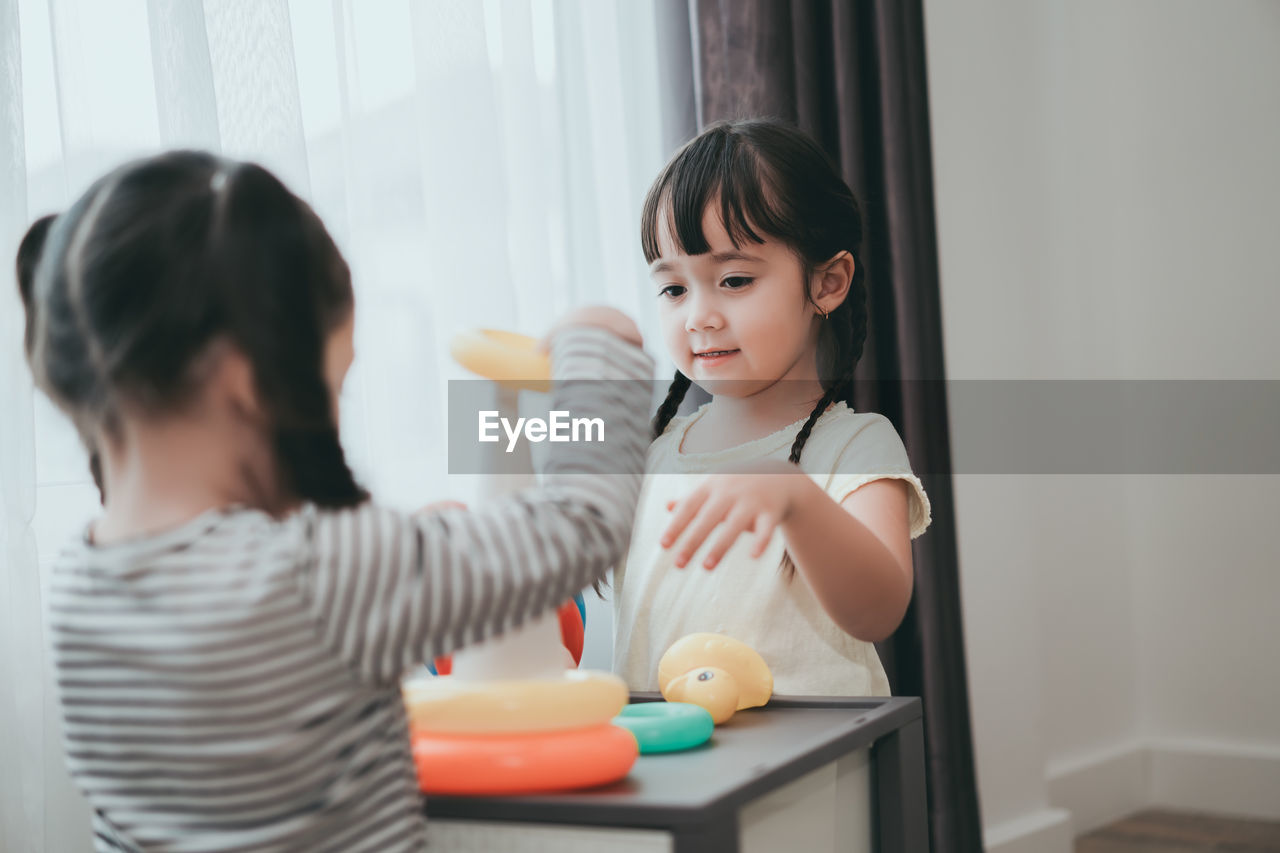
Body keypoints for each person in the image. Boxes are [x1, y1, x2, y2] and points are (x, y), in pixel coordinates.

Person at [16, 150, 652, 851]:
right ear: (251, 378)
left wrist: (403, 550)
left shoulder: (82, 579)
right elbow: (579, 524)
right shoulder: (321, 572)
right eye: (334, 388)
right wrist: (600, 347)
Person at [612, 118, 932, 697]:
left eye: (733, 280)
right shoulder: (653, 456)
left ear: (827, 283)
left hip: (804, 778)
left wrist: (792, 496)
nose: (699, 316)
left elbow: (879, 610)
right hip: (677, 776)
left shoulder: (854, 445)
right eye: (674, 289)